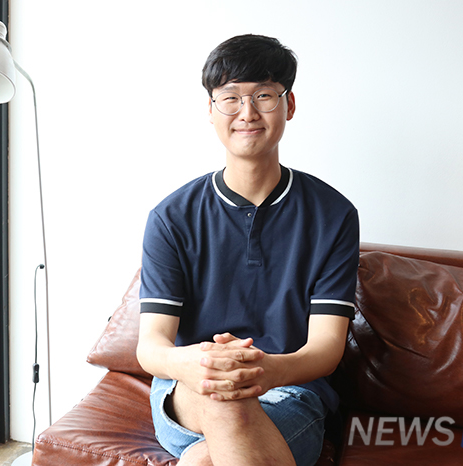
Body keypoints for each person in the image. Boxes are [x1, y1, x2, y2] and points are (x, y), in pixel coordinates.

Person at [136, 34, 359, 466]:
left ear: (289, 105)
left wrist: (262, 369)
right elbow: (151, 346)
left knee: (204, 459)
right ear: (210, 109)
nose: (247, 112)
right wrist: (202, 364)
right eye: (231, 98)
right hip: (188, 391)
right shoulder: (171, 217)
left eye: (264, 96)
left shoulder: (333, 215)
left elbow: (327, 348)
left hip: (290, 392)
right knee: (224, 393)